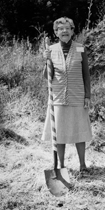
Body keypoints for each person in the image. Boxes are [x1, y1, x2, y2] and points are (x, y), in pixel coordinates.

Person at [42, 17, 92, 172]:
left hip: (77, 95)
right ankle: (61, 166)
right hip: (57, 97)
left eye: (67, 28)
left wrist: (87, 96)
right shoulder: (50, 49)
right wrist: (46, 61)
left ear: (72, 30)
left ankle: (83, 165)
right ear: (56, 32)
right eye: (60, 28)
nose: (64, 31)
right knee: (59, 133)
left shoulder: (80, 48)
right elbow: (47, 76)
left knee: (80, 131)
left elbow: (86, 74)